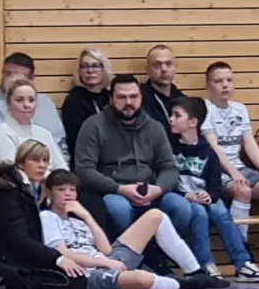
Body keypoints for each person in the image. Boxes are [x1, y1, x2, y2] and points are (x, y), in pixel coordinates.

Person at [71, 75, 200, 255]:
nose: (128, 102)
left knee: (181, 207)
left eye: (133, 96)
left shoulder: (155, 127)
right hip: (113, 191)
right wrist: (120, 189)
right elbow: (84, 170)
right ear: (111, 99)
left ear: (141, 98)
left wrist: (158, 189)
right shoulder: (93, 125)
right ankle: (130, 256)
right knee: (119, 209)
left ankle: (156, 256)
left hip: (150, 190)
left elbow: (169, 167)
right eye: (121, 97)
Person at [40, 169, 194, 289]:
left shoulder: (79, 221)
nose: (68, 194)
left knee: (155, 216)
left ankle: (194, 271)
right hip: (88, 273)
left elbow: (106, 250)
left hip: (106, 261)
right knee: (143, 280)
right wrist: (106, 263)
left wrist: (87, 216)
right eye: (61, 190)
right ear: (49, 193)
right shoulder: (47, 217)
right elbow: (63, 254)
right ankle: (183, 284)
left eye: (72, 190)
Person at [201, 61, 259, 261]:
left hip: (240, 167)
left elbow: (249, 142)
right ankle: (241, 249)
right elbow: (214, 148)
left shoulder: (240, 108)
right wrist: (233, 173)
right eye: (219, 81)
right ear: (208, 85)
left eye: (229, 80)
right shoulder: (205, 109)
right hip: (218, 170)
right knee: (243, 190)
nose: (225, 85)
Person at [169, 95, 259, 282]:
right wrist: (187, 195)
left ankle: (243, 263)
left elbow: (215, 185)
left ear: (193, 122)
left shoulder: (208, 151)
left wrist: (209, 195)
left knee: (220, 212)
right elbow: (166, 182)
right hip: (183, 197)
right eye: (172, 115)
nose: (171, 119)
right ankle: (206, 264)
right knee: (199, 213)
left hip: (203, 196)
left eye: (177, 115)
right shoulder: (169, 148)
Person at [0, 141, 88, 289]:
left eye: (45, 161)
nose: (42, 166)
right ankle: (2, 282)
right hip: (5, 259)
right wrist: (58, 258)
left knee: (77, 277)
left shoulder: (35, 189)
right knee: (75, 281)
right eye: (36, 160)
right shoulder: (7, 191)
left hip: (27, 255)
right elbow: (18, 238)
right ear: (21, 163)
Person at [0, 76, 69, 171]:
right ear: (8, 103)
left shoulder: (44, 134)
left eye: (31, 100)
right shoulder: (0, 132)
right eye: (19, 100)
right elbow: (11, 172)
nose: (26, 105)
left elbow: (63, 169)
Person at [0, 52, 67, 157]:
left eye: (19, 78)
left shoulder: (45, 104)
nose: (12, 80)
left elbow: (58, 144)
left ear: (31, 78)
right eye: (8, 74)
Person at [62, 48, 113, 146]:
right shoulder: (74, 101)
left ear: (104, 69)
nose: (90, 71)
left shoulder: (110, 96)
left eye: (95, 66)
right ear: (79, 71)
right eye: (85, 66)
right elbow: (75, 138)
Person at [137, 45, 183, 126]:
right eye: (157, 65)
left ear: (174, 69)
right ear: (147, 69)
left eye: (168, 64)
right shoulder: (139, 101)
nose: (164, 69)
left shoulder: (183, 100)